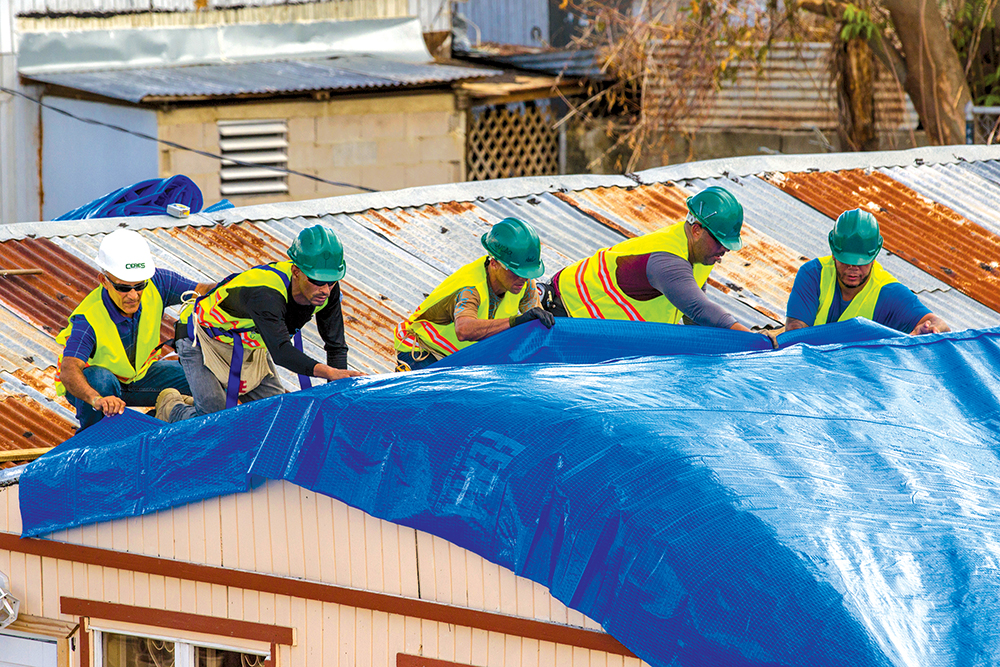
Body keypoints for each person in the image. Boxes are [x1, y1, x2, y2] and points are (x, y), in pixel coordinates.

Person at [158, 224, 364, 422]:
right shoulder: (266, 294)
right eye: (317, 281)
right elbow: (281, 352)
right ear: (296, 271)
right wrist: (329, 372)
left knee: (277, 415)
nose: (325, 290)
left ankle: (196, 403)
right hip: (202, 339)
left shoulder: (327, 291)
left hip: (248, 345)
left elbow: (336, 347)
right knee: (214, 419)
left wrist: (337, 395)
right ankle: (171, 407)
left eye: (332, 281)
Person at [56, 229, 214, 431]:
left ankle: (160, 419)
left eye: (139, 286)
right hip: (99, 388)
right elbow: (69, 370)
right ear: (104, 281)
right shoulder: (89, 317)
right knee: (101, 380)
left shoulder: (158, 283)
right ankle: (96, 437)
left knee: (202, 377)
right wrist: (96, 400)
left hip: (139, 377)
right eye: (123, 288)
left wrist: (239, 288)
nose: (133, 295)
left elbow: (201, 291)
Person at [540, 186, 758, 332]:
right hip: (564, 313)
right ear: (697, 230)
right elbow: (701, 309)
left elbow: (694, 318)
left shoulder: (701, 254)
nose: (724, 250)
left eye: (728, 245)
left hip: (594, 328)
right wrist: (754, 340)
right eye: (719, 241)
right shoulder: (667, 261)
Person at [393, 217, 554, 371]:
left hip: (460, 359)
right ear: (494, 263)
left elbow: (536, 320)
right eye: (516, 272)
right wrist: (516, 322)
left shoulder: (524, 284)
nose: (523, 279)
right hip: (424, 353)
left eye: (527, 273)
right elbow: (464, 330)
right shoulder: (470, 288)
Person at [784, 209, 951, 335]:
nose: (853, 269)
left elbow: (940, 325)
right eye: (846, 261)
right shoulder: (813, 275)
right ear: (833, 252)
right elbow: (794, 335)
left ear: (875, 254)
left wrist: (929, 330)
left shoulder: (888, 293)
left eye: (861, 263)